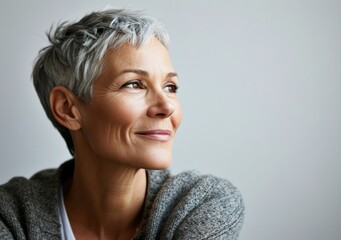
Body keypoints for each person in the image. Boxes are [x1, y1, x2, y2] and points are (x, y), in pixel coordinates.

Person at [0, 9, 244, 240]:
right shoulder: (11, 213)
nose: (167, 107)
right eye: (134, 84)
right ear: (67, 109)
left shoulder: (201, 203)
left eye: (170, 87)